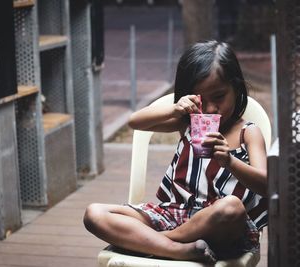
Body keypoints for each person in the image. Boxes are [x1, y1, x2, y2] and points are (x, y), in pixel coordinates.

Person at [83, 40, 268, 263]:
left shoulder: (248, 132)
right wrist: (175, 108)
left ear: (236, 88)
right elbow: (135, 122)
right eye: (201, 99)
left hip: (223, 229)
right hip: (175, 214)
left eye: (219, 96)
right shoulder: (187, 123)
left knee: (231, 207)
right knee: (95, 214)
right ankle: (180, 250)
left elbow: (266, 185)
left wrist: (230, 161)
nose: (210, 109)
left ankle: (154, 243)